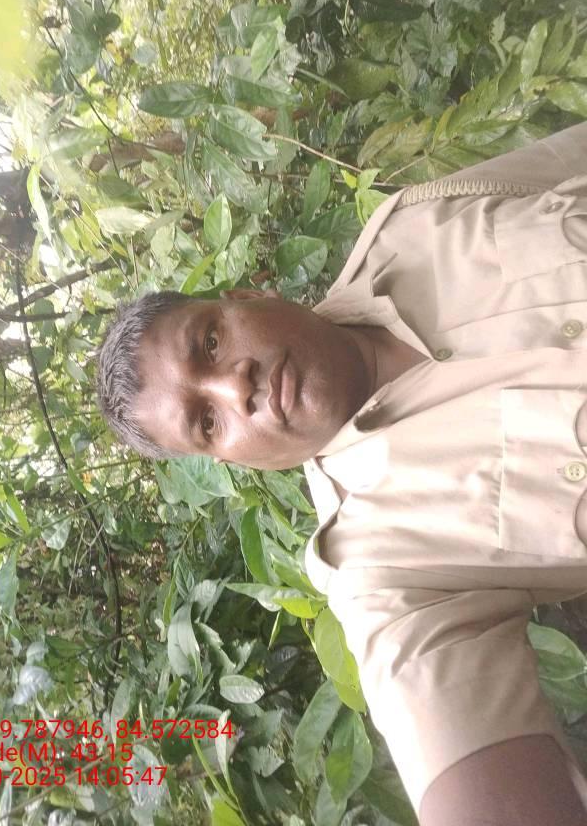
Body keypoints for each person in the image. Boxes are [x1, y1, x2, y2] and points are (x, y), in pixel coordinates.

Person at [96, 121, 587, 825]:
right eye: (208, 422)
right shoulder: (382, 570)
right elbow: (466, 770)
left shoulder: (409, 225)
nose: (236, 387)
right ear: (228, 461)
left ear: (247, 296)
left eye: (210, 342)